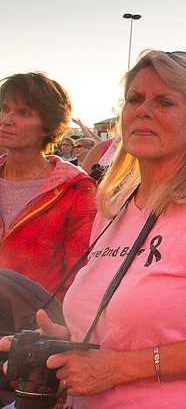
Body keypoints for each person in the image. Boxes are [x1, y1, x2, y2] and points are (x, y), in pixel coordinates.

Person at [40, 50, 186, 408]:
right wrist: (68, 342)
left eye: (165, 102)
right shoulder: (115, 206)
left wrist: (118, 369)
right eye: (135, 99)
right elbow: (127, 326)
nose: (143, 110)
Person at [0, 73, 97, 300]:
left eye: (23, 113)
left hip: (35, 318)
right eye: (4, 109)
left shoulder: (75, 188)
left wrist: (47, 319)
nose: (6, 120)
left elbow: (79, 275)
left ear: (47, 125)